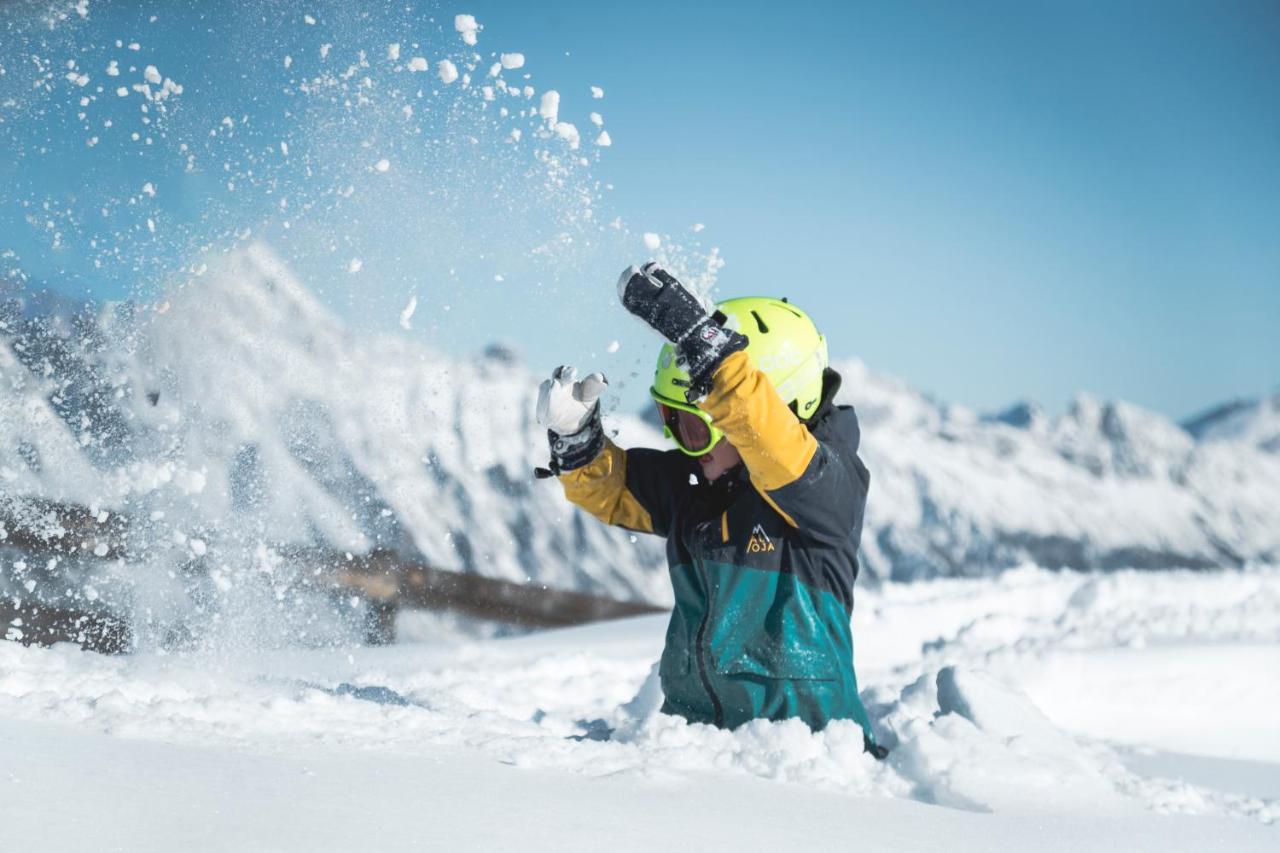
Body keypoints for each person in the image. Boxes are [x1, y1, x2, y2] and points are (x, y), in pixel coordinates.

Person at [536, 262, 883, 756]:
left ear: (775, 412)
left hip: (812, 761)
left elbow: (780, 451)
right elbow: (615, 491)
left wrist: (713, 356)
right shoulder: (698, 489)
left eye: (697, 427)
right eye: (671, 421)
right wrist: (577, 444)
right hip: (695, 751)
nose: (689, 448)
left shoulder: (825, 492)